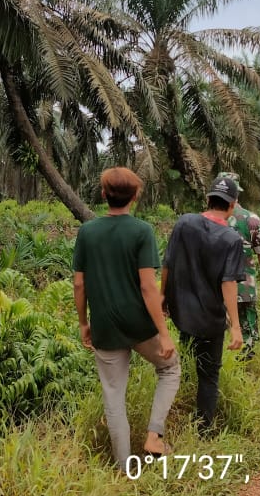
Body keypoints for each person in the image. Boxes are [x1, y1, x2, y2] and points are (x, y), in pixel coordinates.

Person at [73, 167, 180, 468]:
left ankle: (124, 467)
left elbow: (79, 284)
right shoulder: (141, 231)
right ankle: (154, 435)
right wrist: (165, 332)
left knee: (113, 395)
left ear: (104, 194)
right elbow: (148, 287)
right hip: (139, 324)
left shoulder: (87, 232)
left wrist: (84, 323)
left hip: (104, 325)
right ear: (135, 197)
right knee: (170, 369)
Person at [161, 175, 245, 433]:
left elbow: (168, 263)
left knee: (183, 360)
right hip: (210, 319)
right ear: (232, 206)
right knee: (208, 375)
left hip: (181, 312)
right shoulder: (232, 239)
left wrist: (162, 296)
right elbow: (228, 283)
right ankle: (204, 430)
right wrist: (236, 327)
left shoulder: (184, 223)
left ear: (207, 199)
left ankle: (175, 413)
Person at [217, 172, 260, 359]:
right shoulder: (251, 219)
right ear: (237, 193)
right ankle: (245, 364)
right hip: (244, 286)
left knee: (216, 330)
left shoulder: (208, 219)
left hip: (214, 286)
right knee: (247, 329)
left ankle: (220, 362)